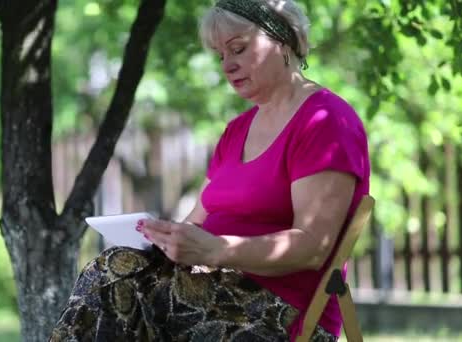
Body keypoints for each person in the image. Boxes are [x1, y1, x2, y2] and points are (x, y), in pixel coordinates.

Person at [49, 0, 370, 341]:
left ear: (283, 39)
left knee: (114, 279)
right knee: (116, 267)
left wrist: (217, 250)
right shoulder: (236, 131)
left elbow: (312, 247)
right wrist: (169, 240)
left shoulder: (324, 121)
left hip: (279, 311)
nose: (228, 66)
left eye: (239, 49)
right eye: (221, 55)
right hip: (208, 290)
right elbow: (195, 223)